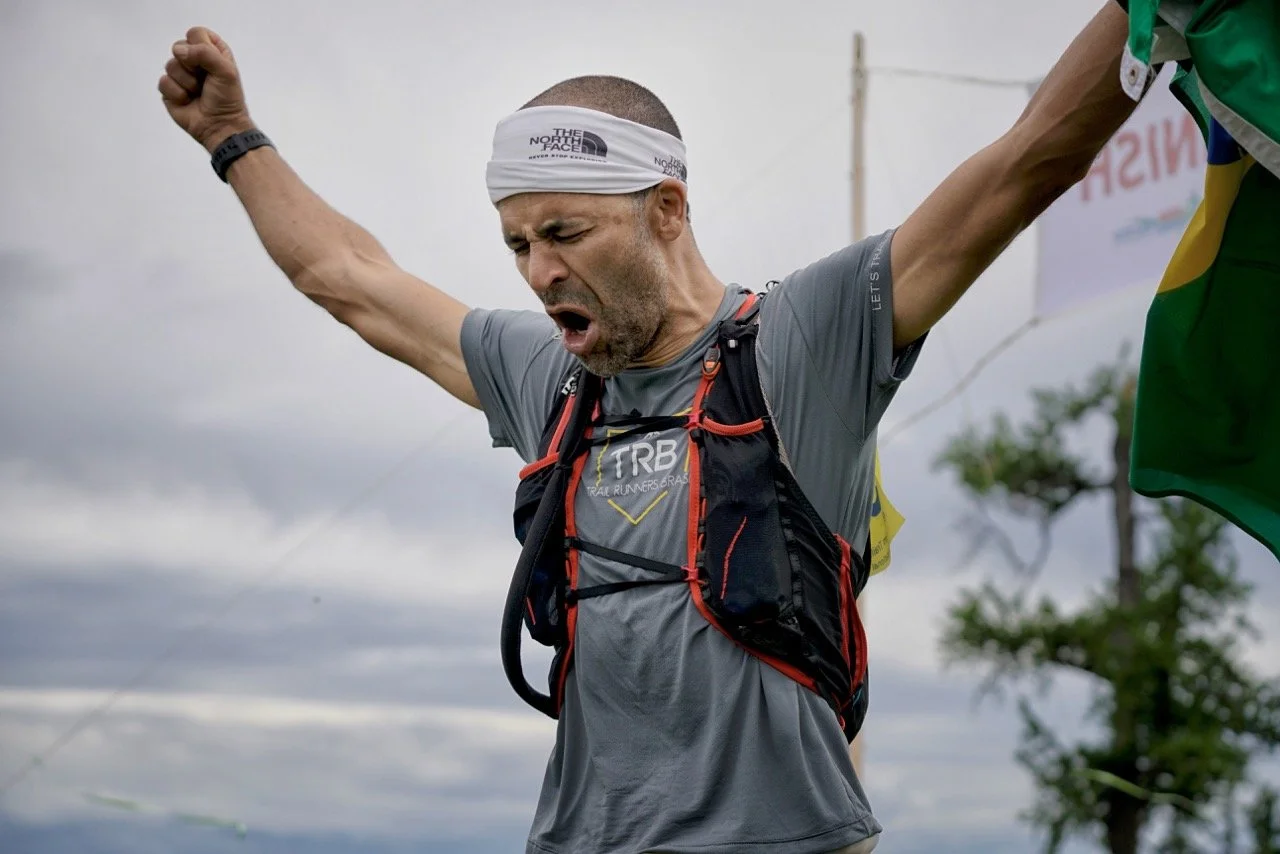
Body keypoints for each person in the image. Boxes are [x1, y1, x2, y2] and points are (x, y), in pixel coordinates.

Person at [158, 4, 1143, 852]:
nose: (537, 272)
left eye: (564, 233)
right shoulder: (547, 377)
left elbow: (1027, 162)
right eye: (516, 243)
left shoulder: (803, 342)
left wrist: (1149, 15)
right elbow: (350, 282)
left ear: (664, 208)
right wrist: (234, 138)